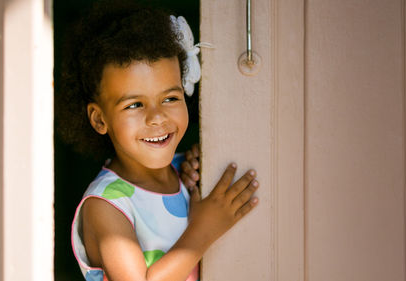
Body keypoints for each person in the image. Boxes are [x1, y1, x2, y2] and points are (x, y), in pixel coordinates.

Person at [58, 2, 259, 280]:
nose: (157, 117)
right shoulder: (105, 205)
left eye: (170, 98)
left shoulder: (184, 171)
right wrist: (204, 230)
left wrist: (197, 169)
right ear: (99, 119)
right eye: (134, 105)